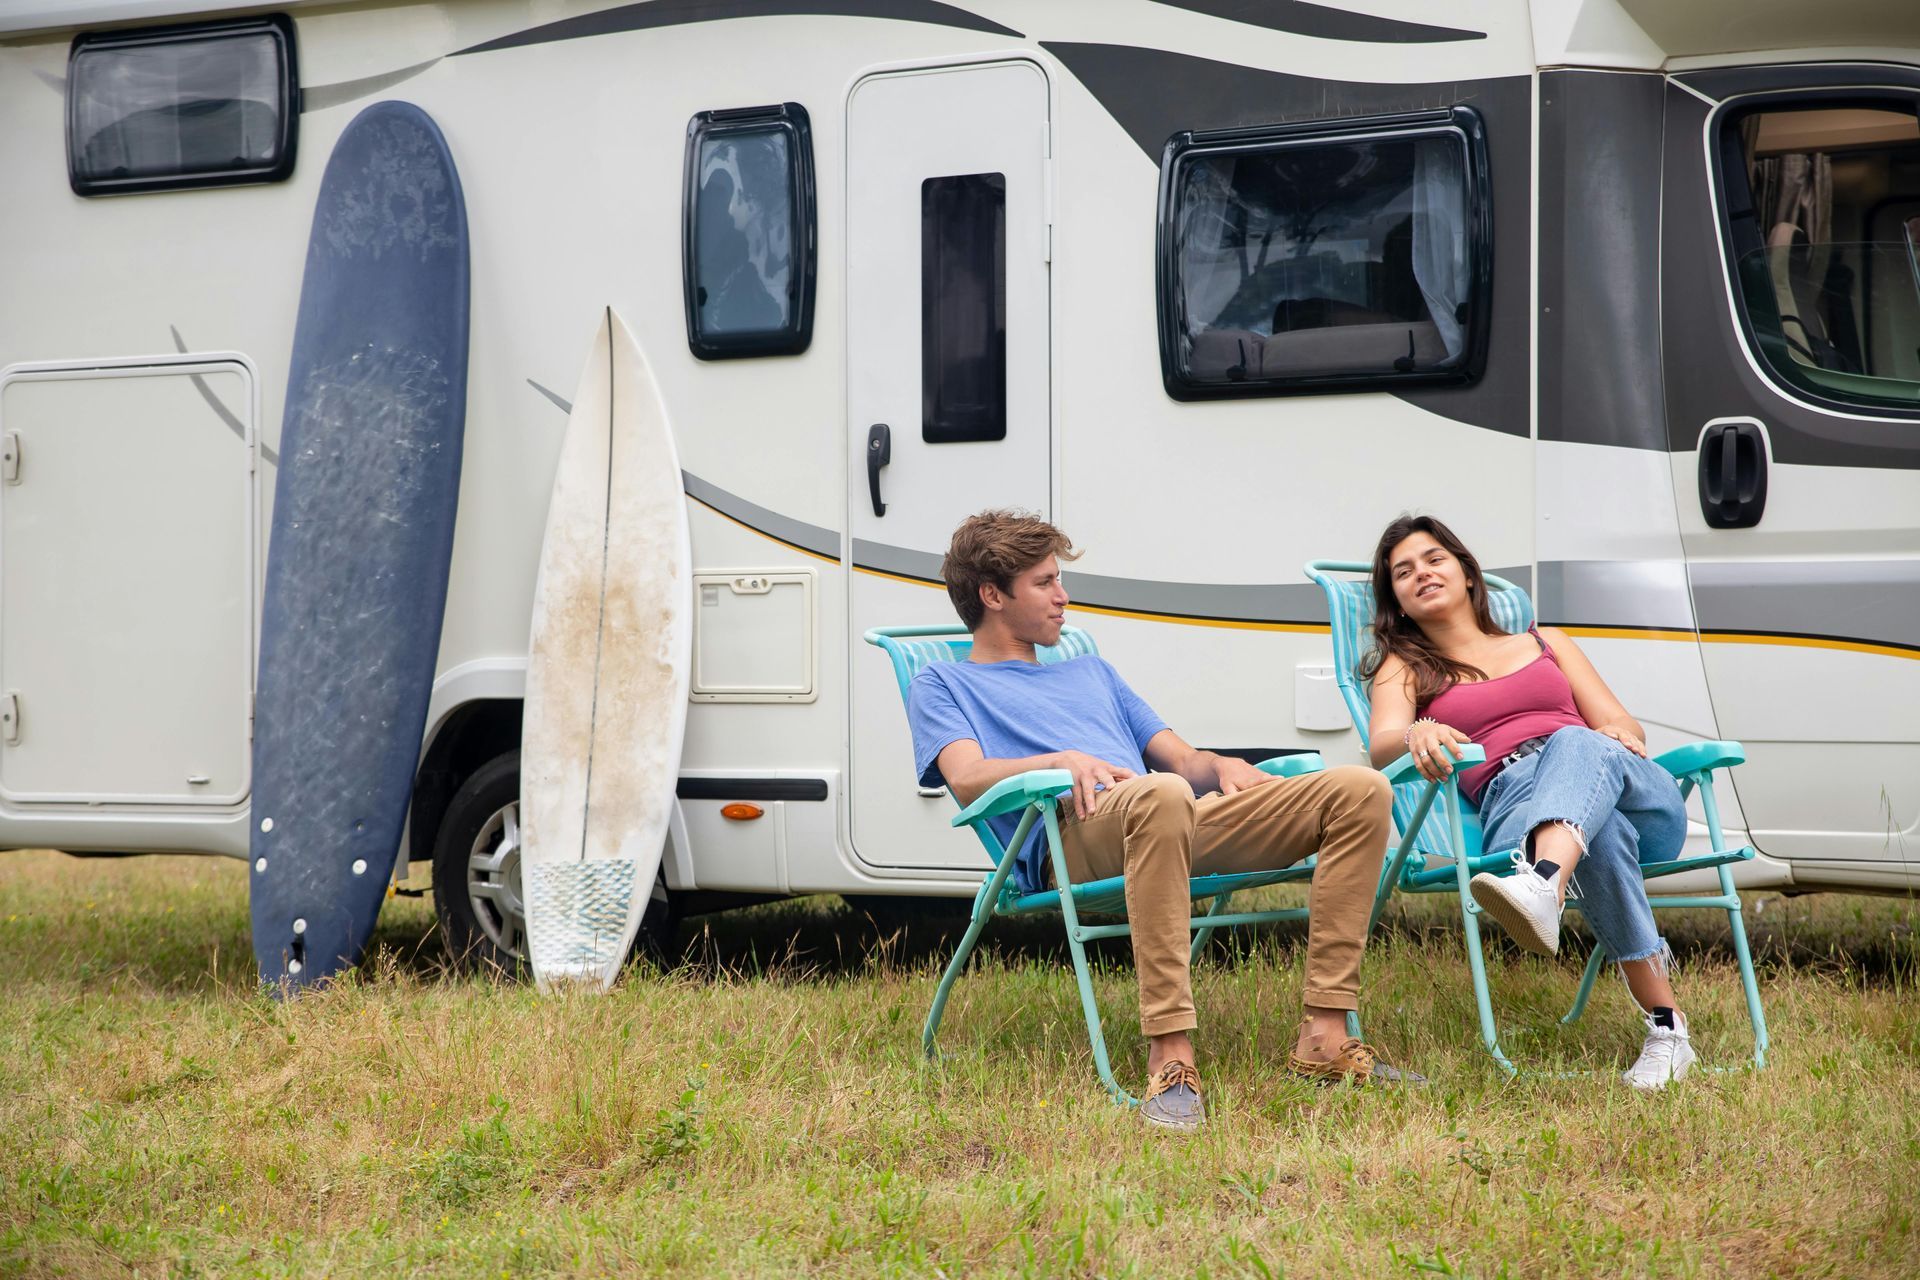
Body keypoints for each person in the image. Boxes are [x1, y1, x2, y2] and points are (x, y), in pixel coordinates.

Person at [908, 511, 1405, 1131]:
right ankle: (1171, 1056)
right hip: (1069, 833)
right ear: (992, 595)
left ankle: (1325, 1038)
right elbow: (966, 777)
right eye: (1045, 583)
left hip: (1166, 812)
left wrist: (1222, 766)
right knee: (1162, 795)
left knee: (1360, 788)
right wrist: (1062, 762)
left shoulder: (1092, 672)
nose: (1063, 597)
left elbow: (1183, 760)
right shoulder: (944, 682)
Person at [1362, 514, 1697, 1089]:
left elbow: (1617, 721)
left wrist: (1612, 741)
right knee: (1602, 833)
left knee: (1575, 743)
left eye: (1434, 559)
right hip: (1513, 798)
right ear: (1396, 600)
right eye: (1403, 572)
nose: (1422, 574)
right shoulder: (1404, 668)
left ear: (1466, 572)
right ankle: (1668, 1031)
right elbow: (1382, 745)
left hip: (1629, 788)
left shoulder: (1545, 641)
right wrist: (1419, 729)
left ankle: (1542, 882)